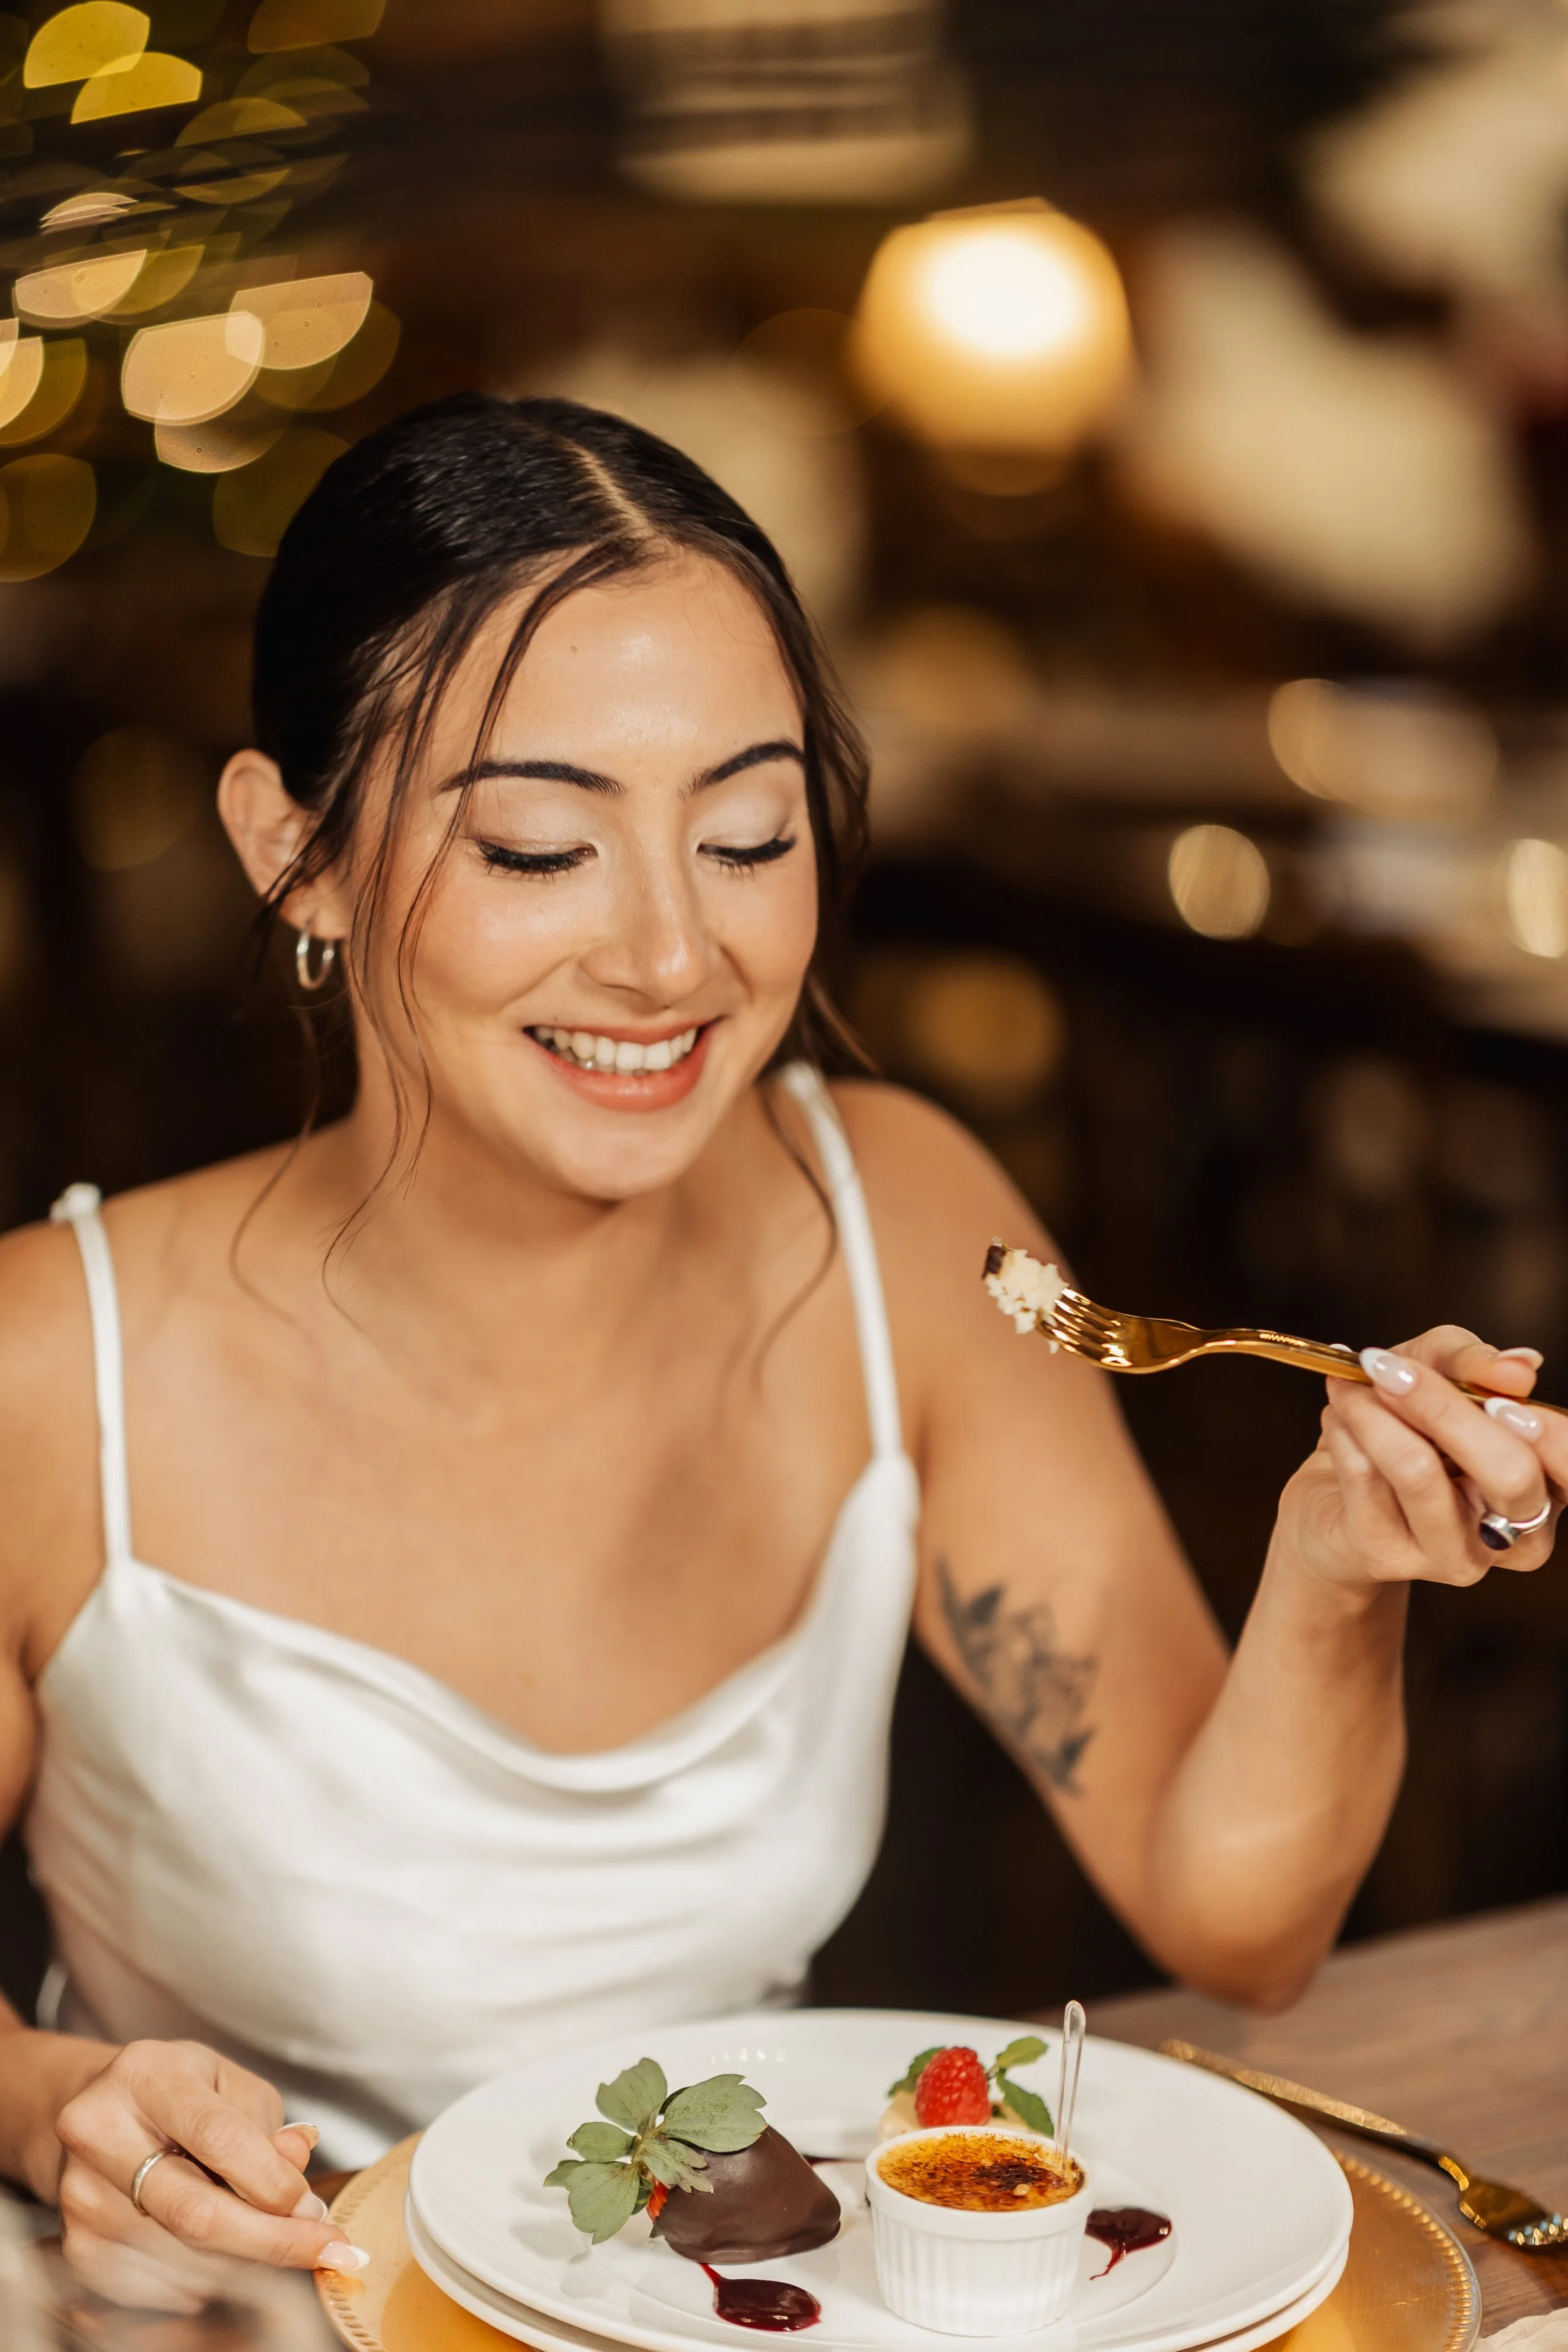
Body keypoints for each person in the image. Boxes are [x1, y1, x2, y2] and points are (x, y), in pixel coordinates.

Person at [0, 394, 1556, 2313]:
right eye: (540, 846)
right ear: (292, 851)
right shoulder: (48, 1370)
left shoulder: (895, 1226)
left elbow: (1232, 1916)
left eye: (746, 833)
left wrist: (1335, 1562)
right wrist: (49, 2096)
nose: (671, 958)